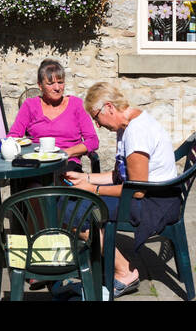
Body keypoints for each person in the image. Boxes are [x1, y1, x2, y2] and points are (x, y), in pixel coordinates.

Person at [64, 81, 178, 298]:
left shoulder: (136, 132)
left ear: (109, 107)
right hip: (148, 194)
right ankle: (98, 259)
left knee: (74, 214)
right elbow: (121, 177)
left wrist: (94, 189)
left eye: (96, 117)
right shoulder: (126, 125)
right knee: (74, 201)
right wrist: (85, 178)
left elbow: (136, 190)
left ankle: (124, 272)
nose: (97, 125)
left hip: (153, 202)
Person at [7, 58, 98, 171]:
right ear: (40, 86)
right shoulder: (30, 105)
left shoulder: (76, 105)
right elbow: (13, 137)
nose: (57, 88)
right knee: (33, 187)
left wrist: (65, 153)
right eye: (50, 84)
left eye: (60, 82)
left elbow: (93, 141)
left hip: (67, 163)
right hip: (37, 162)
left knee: (62, 184)